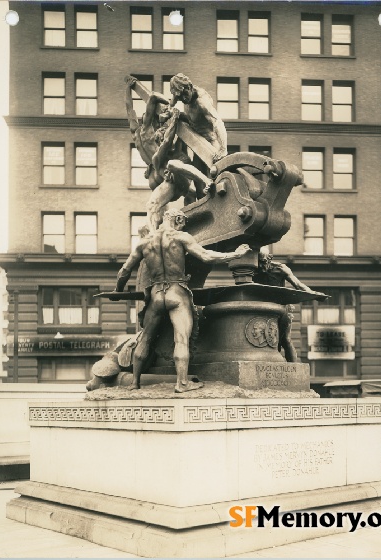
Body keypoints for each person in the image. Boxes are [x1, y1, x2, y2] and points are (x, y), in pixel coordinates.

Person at [113, 208, 251, 393]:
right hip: (176, 292)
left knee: (145, 339)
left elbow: (124, 271)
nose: (183, 225)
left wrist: (118, 290)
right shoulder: (181, 237)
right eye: (183, 222)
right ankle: (182, 383)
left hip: (155, 294)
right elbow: (206, 256)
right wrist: (235, 255)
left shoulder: (144, 243)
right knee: (181, 340)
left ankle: (134, 382)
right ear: (177, 219)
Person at [125, 76, 213, 231]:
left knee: (180, 194)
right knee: (176, 193)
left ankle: (185, 221)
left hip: (160, 174)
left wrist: (127, 89)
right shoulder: (148, 133)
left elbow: (129, 109)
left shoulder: (137, 135)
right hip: (165, 170)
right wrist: (169, 106)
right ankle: (169, 228)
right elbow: (153, 98)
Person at [170, 73, 227, 163]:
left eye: (185, 94)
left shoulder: (201, 103)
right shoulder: (181, 92)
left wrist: (223, 149)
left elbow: (218, 123)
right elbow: (173, 100)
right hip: (197, 142)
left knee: (211, 173)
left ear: (190, 87)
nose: (184, 98)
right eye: (180, 97)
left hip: (209, 144)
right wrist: (171, 106)